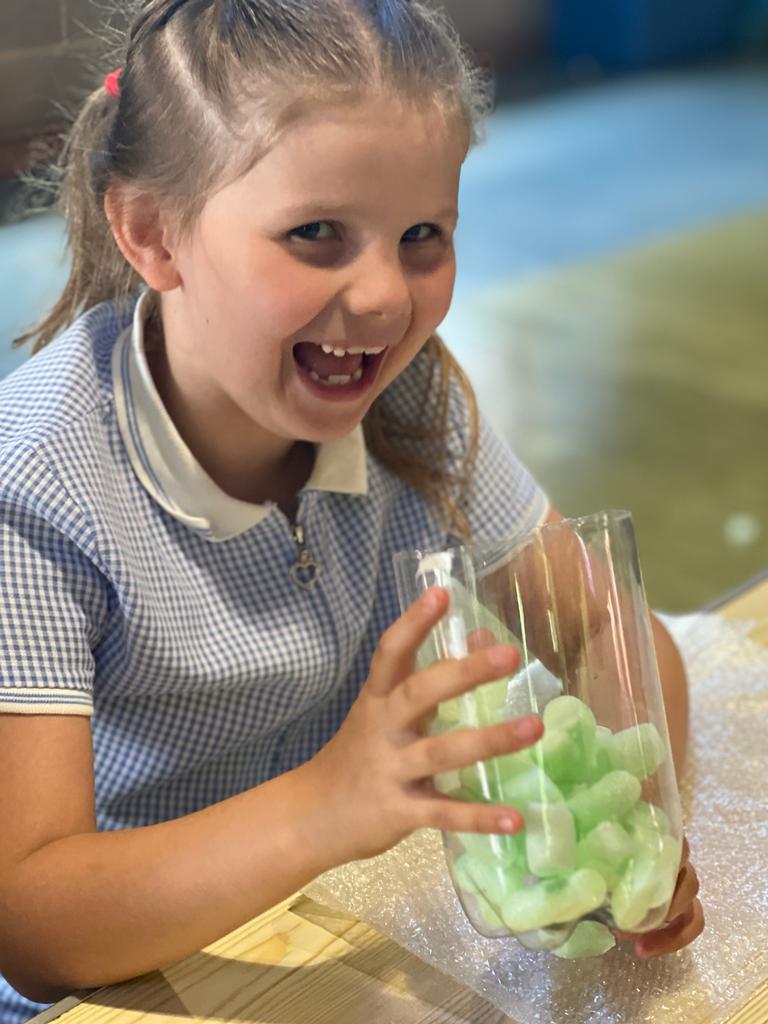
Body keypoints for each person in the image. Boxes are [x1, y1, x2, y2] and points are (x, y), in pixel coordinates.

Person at [0, 1, 703, 1019]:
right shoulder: (36, 487)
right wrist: (330, 805)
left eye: (422, 236)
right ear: (153, 234)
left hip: (331, 931)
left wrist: (627, 833)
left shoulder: (409, 404)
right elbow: (32, 928)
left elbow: (602, 622)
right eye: (316, 234)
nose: (382, 298)